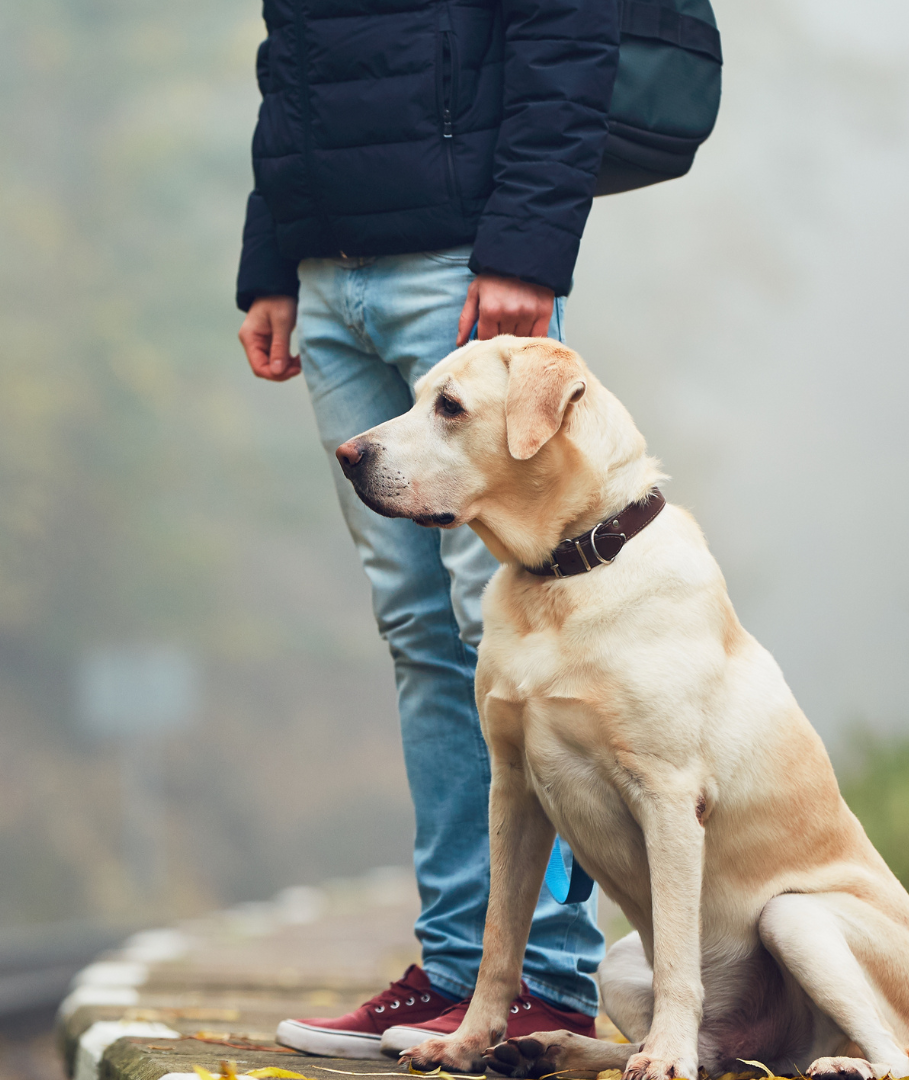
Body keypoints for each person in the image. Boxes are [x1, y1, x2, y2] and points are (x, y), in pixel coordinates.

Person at [237, 0, 622, 1061]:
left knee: (495, 631)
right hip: (331, 283)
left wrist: (525, 247)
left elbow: (569, 36)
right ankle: (456, 972)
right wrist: (273, 259)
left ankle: (542, 978)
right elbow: (293, 65)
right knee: (420, 632)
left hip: (462, 275)